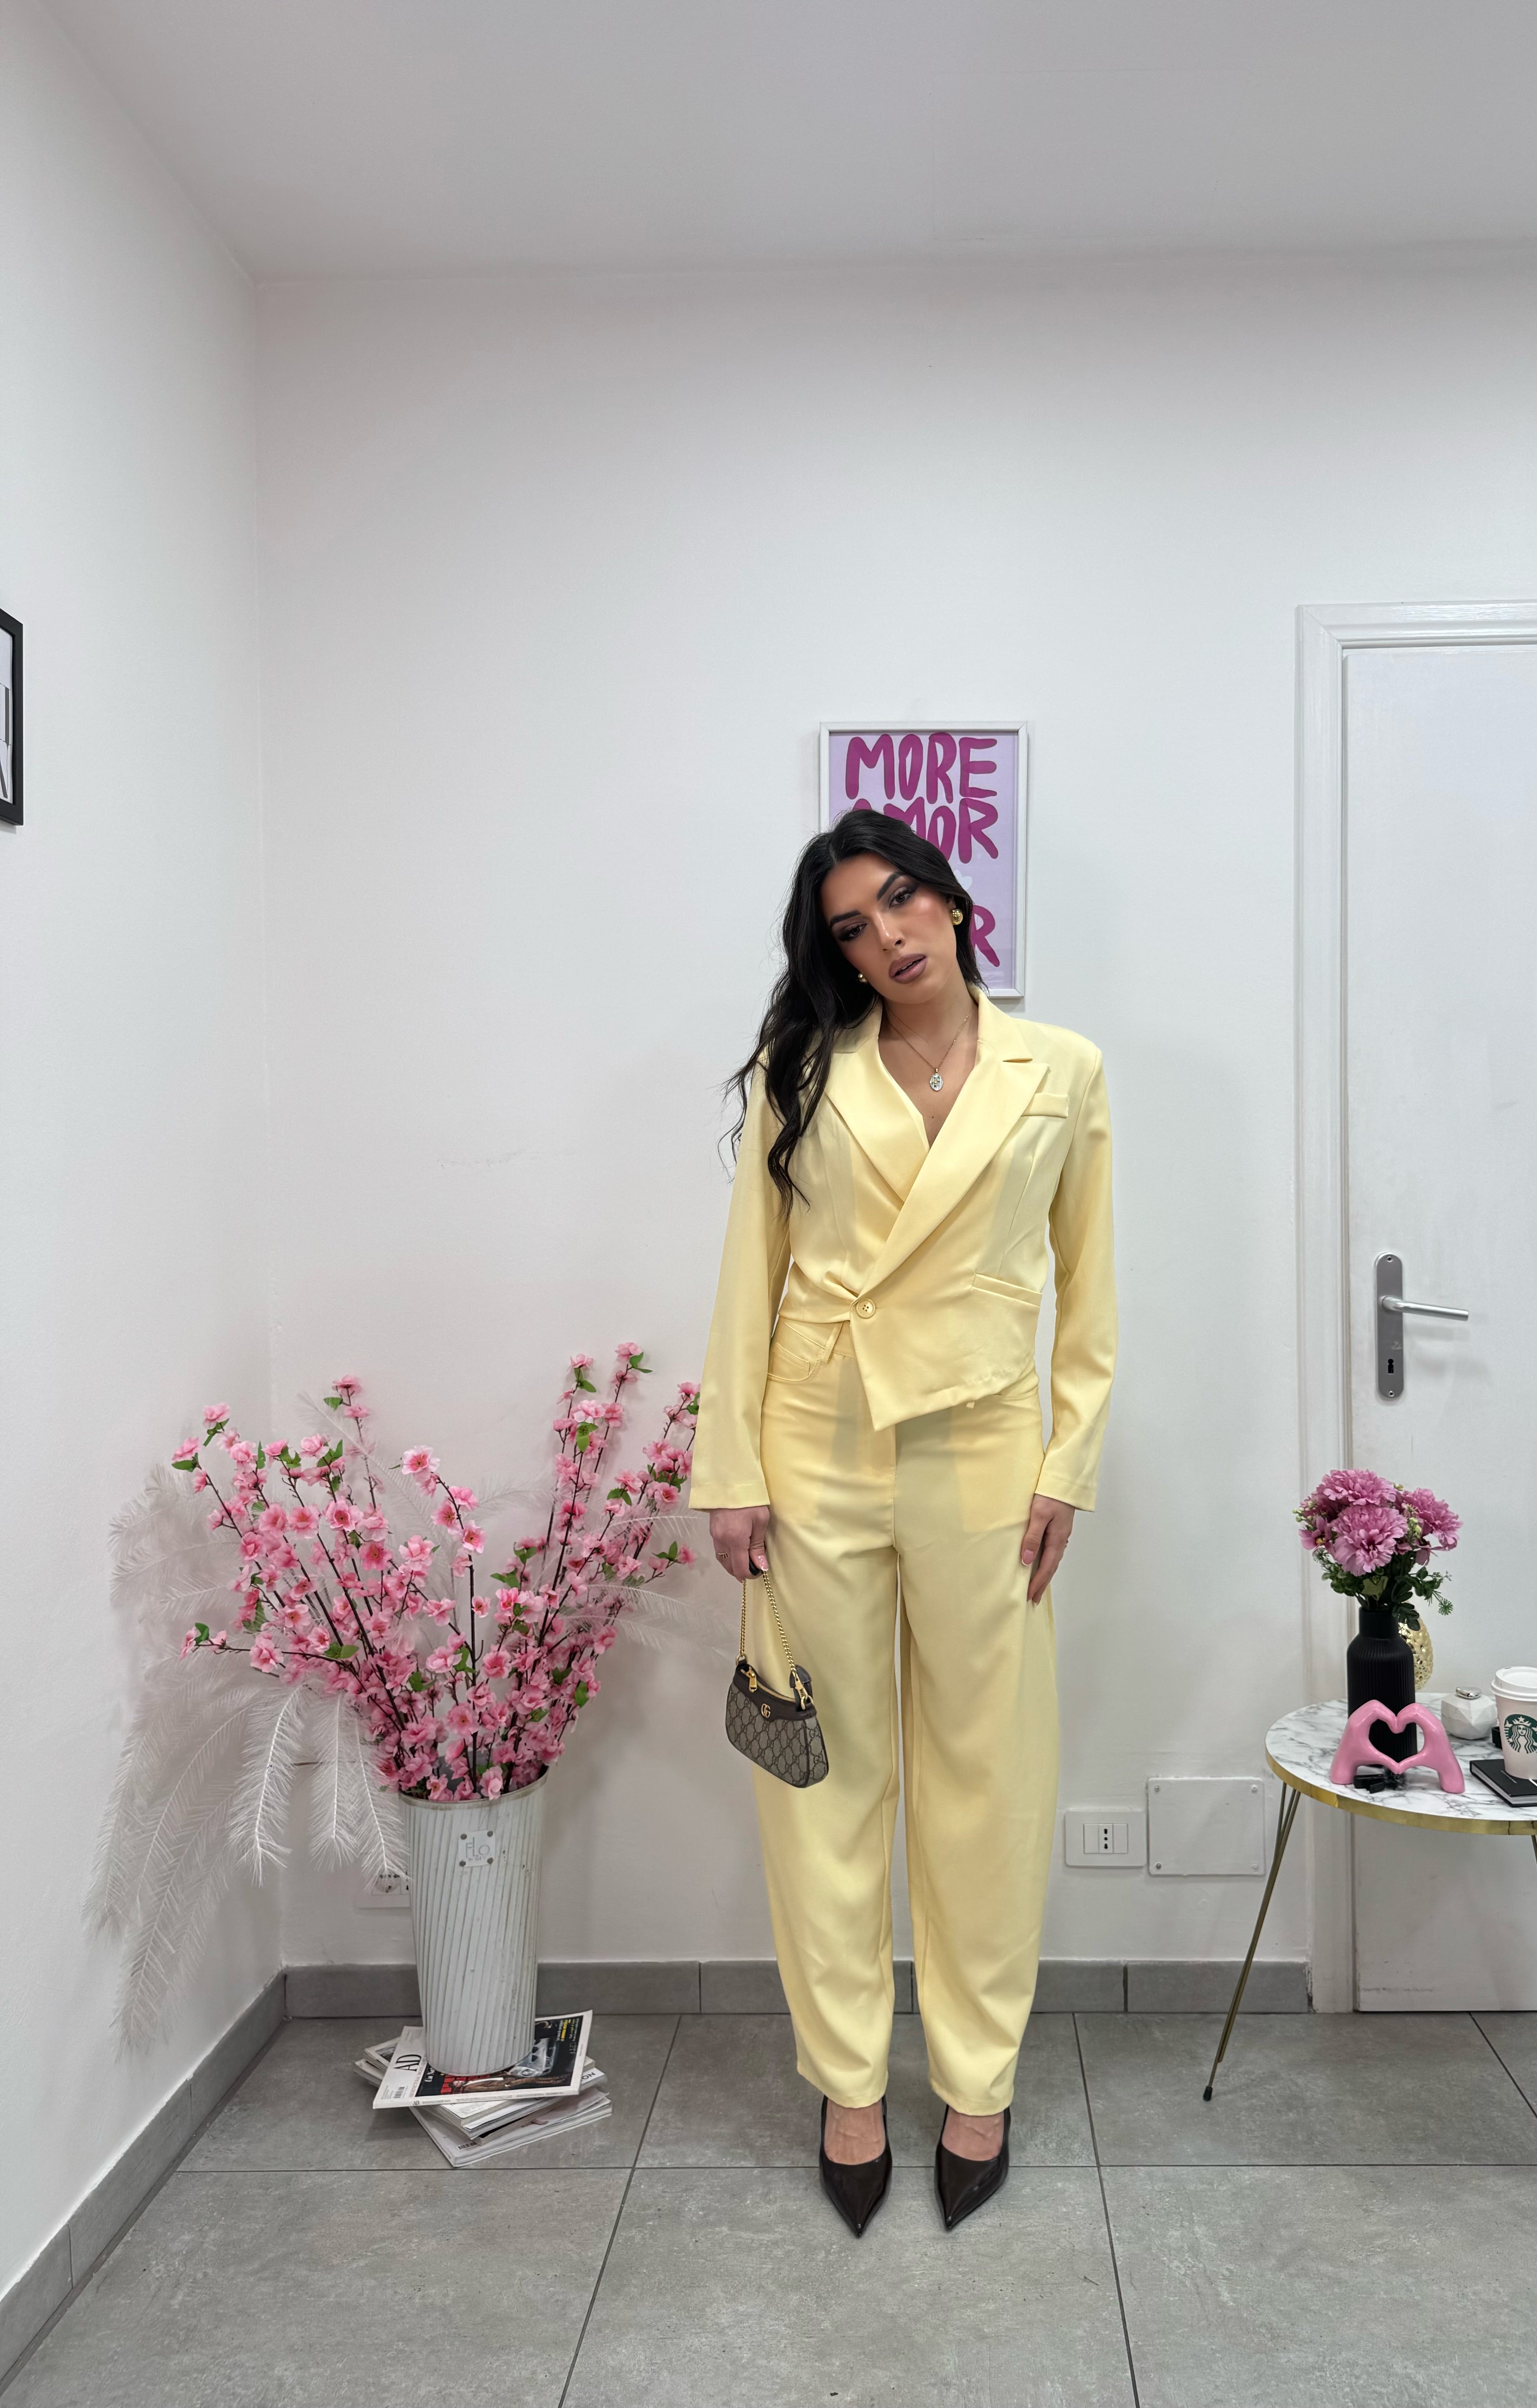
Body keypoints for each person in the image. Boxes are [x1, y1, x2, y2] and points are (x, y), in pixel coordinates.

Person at [690, 812, 1116, 2235]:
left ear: (949, 897)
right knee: (823, 1775)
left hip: (986, 1450)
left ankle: (979, 2076)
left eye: (900, 900)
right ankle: (848, 2078)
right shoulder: (802, 1067)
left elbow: (1089, 1289)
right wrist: (729, 1469)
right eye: (852, 929)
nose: (887, 937)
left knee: (989, 1773)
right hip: (814, 1444)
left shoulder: (1060, 1069)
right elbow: (748, 1275)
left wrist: (1068, 1467)